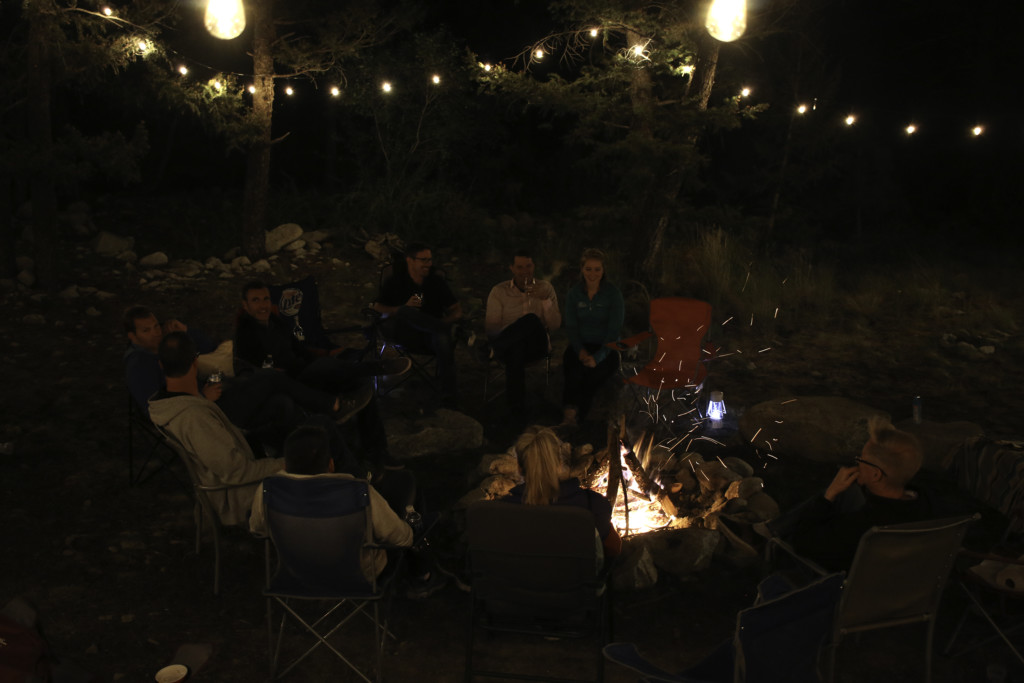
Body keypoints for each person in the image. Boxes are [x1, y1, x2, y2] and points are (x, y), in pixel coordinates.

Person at [249, 425, 446, 597]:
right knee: (406, 483)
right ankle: (422, 576)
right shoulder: (356, 492)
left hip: (296, 575)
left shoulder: (268, 491)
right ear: (331, 464)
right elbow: (396, 536)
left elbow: (258, 529)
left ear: (285, 465)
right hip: (358, 576)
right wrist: (411, 534)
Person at [234, 281, 408, 470]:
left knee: (359, 384)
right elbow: (251, 372)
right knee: (326, 366)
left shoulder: (277, 323)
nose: (262, 305)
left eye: (266, 299)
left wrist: (322, 356)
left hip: (307, 373)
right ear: (246, 305)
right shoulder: (245, 334)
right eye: (255, 300)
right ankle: (376, 367)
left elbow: (301, 351)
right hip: (291, 385)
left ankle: (377, 452)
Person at [123, 305, 315, 451]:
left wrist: (185, 331)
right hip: (204, 415)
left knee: (280, 401)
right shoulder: (140, 364)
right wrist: (201, 399)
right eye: (146, 330)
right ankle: (329, 409)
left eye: (156, 326)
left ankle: (299, 449)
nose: (155, 332)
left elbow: (208, 348)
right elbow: (158, 412)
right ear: (132, 336)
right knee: (271, 378)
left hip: (210, 396)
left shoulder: (163, 346)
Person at [148, 331, 286, 527]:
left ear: (161, 364)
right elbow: (237, 473)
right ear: (195, 362)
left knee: (287, 417)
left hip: (242, 461)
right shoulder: (193, 418)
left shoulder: (170, 403)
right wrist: (286, 464)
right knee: (314, 453)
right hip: (239, 494)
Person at [770, 415, 934, 572]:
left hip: (851, 585)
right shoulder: (926, 503)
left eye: (861, 459)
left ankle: (769, 535)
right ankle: (771, 528)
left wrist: (829, 495)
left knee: (796, 531)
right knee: (849, 492)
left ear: (876, 475)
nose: (857, 463)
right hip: (902, 580)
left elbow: (803, 542)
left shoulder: (860, 528)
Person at [502, 427, 621, 561]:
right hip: (576, 581)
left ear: (519, 468)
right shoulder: (593, 505)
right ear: (559, 463)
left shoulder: (502, 510)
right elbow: (614, 548)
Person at [373, 242, 470, 407]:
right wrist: (400, 309)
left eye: (430, 260)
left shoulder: (435, 281)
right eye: (424, 260)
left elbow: (457, 310)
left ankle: (449, 396)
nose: (429, 264)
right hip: (405, 334)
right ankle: (452, 331)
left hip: (431, 336)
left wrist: (442, 322)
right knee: (406, 312)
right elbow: (377, 307)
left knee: (441, 336)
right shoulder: (397, 281)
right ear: (410, 260)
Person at [481, 248, 561, 416]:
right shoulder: (499, 291)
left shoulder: (545, 288)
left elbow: (554, 326)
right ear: (512, 268)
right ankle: (517, 410)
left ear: (534, 266)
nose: (525, 271)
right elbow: (492, 328)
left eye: (528, 266)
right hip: (510, 349)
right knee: (516, 349)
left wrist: (544, 300)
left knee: (531, 319)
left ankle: (489, 349)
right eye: (520, 267)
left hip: (536, 346)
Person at [561, 248, 624, 426]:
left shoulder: (613, 294)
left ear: (603, 271)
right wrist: (580, 350)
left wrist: (597, 357)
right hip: (580, 345)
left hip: (606, 348)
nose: (592, 274)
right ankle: (569, 417)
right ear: (582, 269)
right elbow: (571, 326)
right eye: (588, 269)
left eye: (597, 269)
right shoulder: (575, 294)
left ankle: (580, 418)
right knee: (572, 371)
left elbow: (614, 330)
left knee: (592, 376)